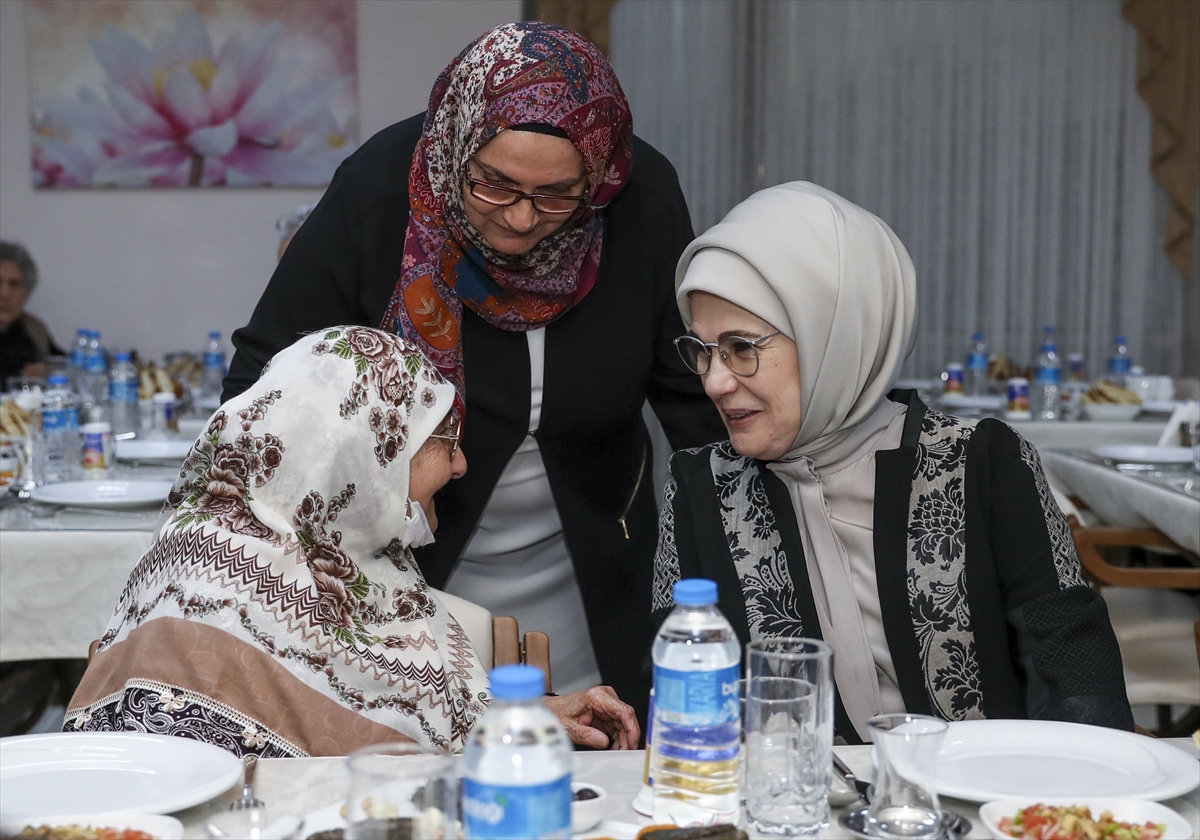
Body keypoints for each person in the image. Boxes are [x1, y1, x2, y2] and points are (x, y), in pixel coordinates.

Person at [224, 22, 724, 714]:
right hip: (394, 573)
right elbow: (267, 388)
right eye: (495, 185)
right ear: (457, 147)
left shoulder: (639, 203)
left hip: (592, 559)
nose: (520, 219)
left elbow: (698, 401)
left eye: (557, 195)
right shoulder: (379, 192)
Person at [653, 182, 1134, 743]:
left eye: (741, 348)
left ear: (833, 334)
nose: (714, 381)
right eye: (703, 351)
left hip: (985, 786)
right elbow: (675, 695)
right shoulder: (702, 487)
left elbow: (1076, 671)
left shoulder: (979, 463)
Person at [65, 327, 639, 756]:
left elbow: (400, 707)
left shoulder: (350, 559)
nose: (461, 465)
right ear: (361, 451)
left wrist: (538, 712)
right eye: (442, 440)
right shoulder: (212, 576)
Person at [0, 241, 65, 389]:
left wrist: (47, 371)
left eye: (14, 284)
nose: (5, 293)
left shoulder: (34, 329)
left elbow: (63, 364)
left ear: (27, 293)